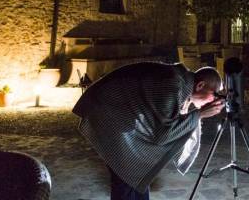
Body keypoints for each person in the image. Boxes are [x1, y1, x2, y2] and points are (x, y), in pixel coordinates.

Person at [72, 62, 225, 200]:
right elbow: (163, 135)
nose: (214, 101)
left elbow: (170, 123)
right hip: (106, 108)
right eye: (214, 95)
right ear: (200, 85)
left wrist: (197, 115)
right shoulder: (173, 84)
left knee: (139, 174)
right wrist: (200, 114)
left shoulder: (182, 83)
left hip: (119, 110)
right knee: (125, 172)